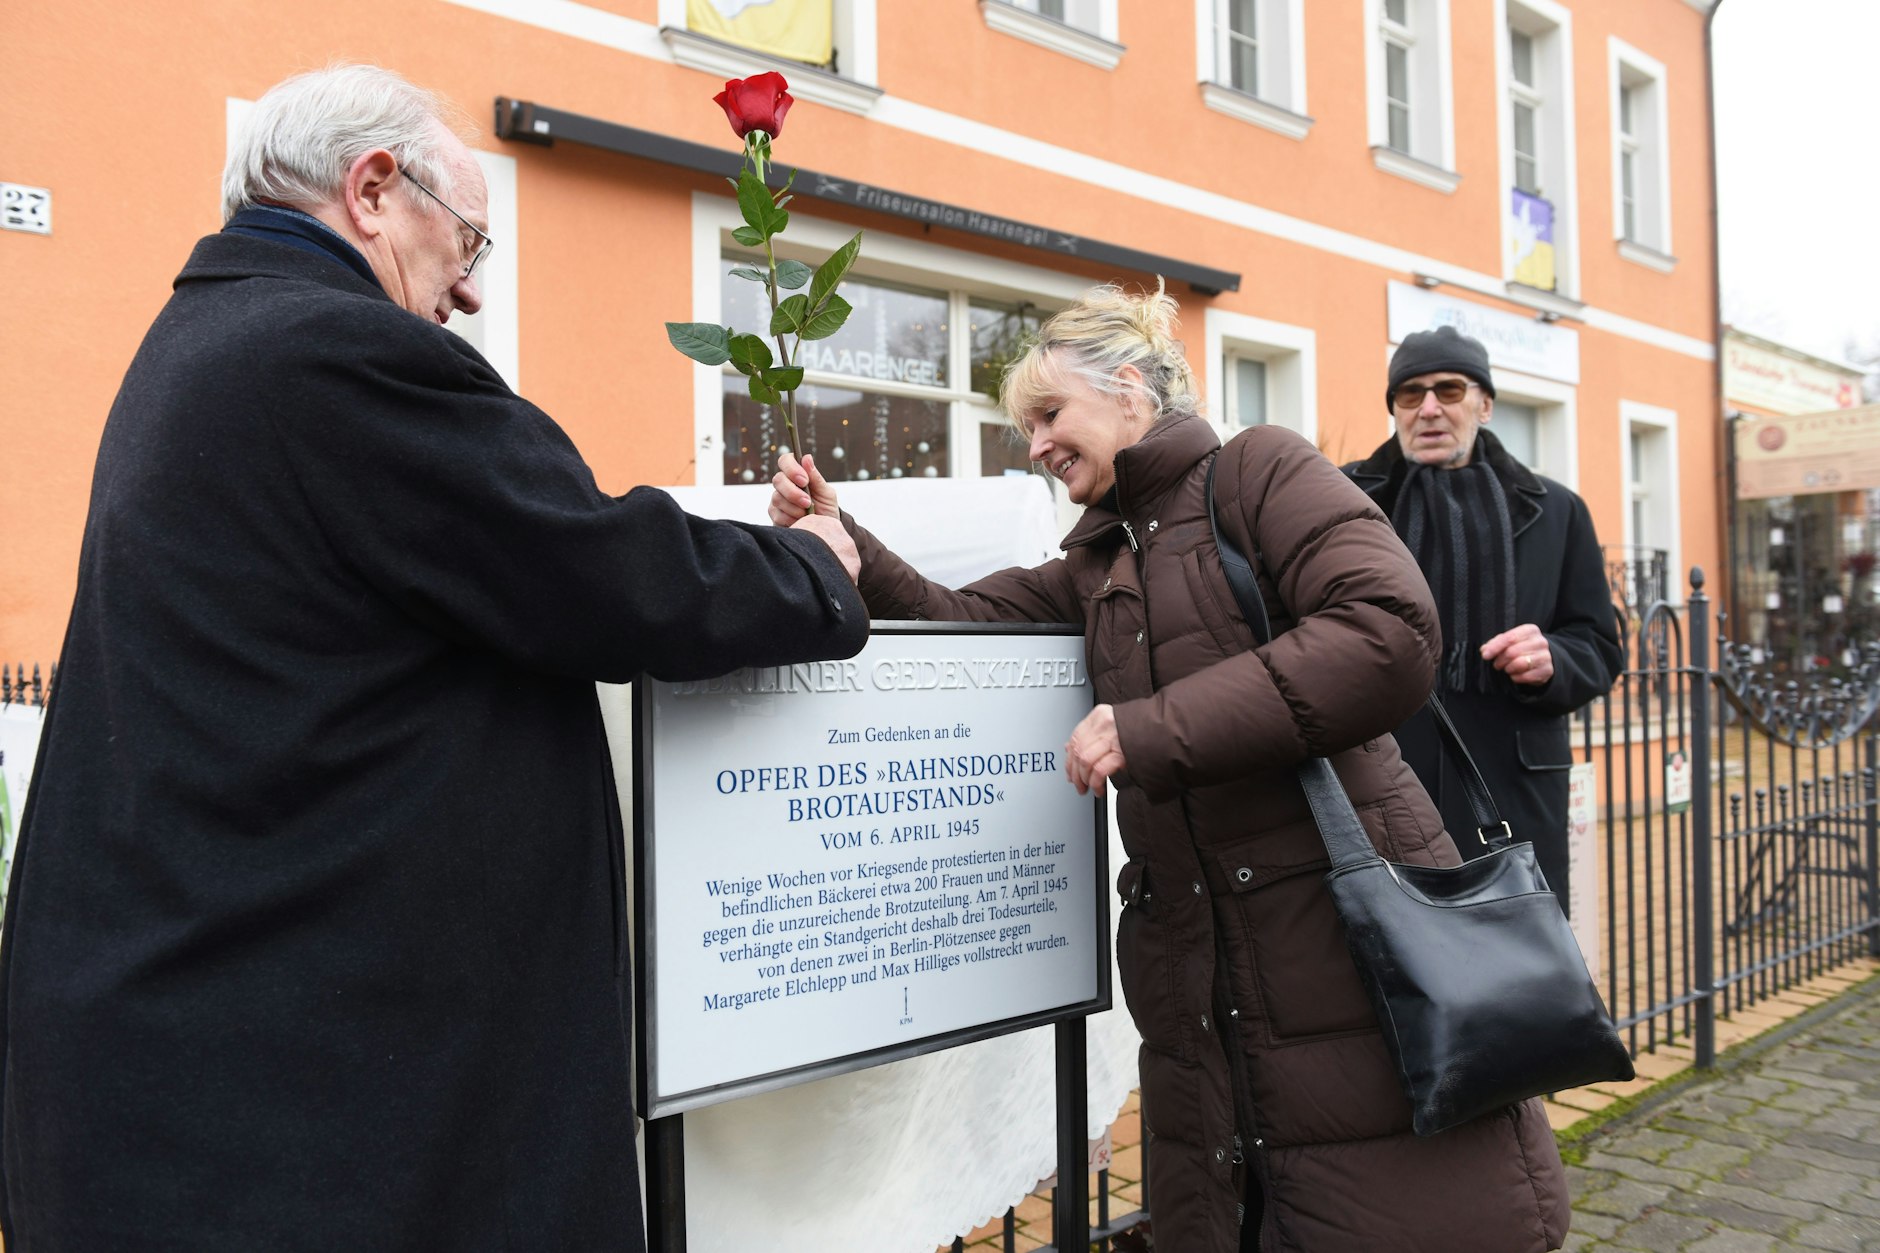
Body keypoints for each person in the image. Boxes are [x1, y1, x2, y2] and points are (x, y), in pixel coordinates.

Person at [0, 65, 867, 1253]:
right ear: (371, 190)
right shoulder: (331, 349)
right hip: (307, 1094)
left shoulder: (208, 336)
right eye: (467, 240)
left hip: (214, 1054)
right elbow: (591, 567)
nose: (468, 287)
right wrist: (813, 566)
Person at [770, 286, 1569, 1252]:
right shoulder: (1097, 558)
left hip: (1340, 942)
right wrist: (849, 545)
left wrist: (1151, 728)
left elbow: (1388, 633)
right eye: (1027, 427)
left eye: (1049, 414)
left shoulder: (1261, 470)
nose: (1037, 445)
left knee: (1389, 1209)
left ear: (1128, 388)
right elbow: (966, 620)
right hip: (1201, 961)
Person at [1343, 326, 1622, 915]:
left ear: (1485, 404)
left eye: (1449, 390)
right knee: (1384, 944)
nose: (1429, 409)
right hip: (1382, 775)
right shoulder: (1344, 499)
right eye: (1410, 394)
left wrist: (1554, 658)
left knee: (1517, 947)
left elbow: (1599, 645)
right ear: (1395, 408)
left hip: (1511, 784)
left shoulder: (1556, 510)